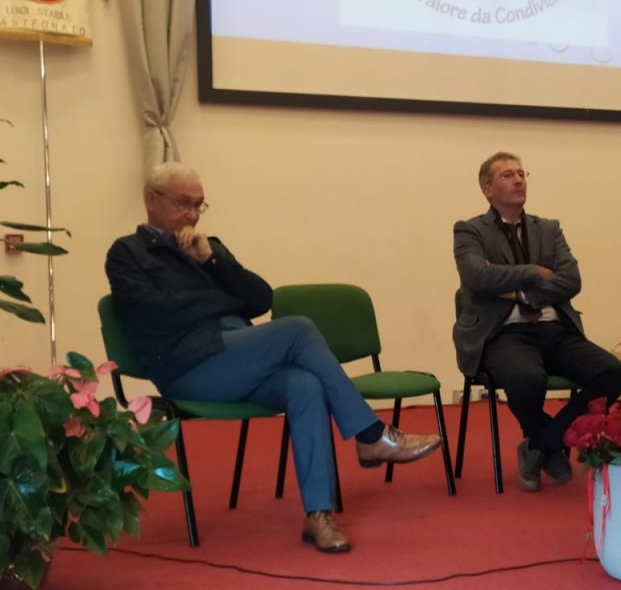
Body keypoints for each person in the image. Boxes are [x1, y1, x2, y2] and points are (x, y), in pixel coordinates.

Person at [106, 161, 441, 554]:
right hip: (187, 365)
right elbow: (154, 313)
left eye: (199, 205)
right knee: (297, 328)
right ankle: (369, 435)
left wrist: (212, 261)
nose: (193, 215)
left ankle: (319, 515)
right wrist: (218, 301)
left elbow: (261, 299)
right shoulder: (127, 253)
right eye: (184, 204)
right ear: (152, 200)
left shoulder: (208, 248)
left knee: (305, 384)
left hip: (238, 354)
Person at [453, 151, 621, 492]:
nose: (519, 180)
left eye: (522, 173)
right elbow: (476, 277)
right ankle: (546, 443)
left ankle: (542, 443)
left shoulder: (549, 228)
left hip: (555, 328)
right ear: (487, 188)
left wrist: (519, 292)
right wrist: (535, 272)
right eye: (507, 175)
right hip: (505, 332)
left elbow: (571, 280)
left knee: (612, 373)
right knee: (525, 379)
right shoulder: (470, 230)